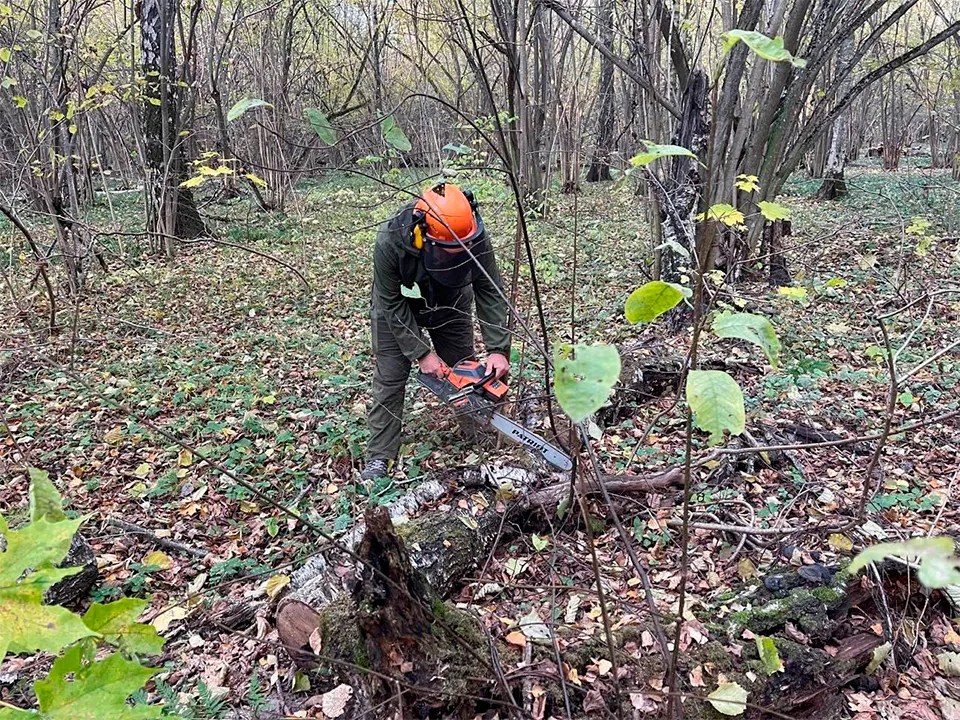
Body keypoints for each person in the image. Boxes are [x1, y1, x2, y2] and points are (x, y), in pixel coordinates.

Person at [361, 182, 511, 481]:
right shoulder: (390, 241)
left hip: (450, 296)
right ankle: (380, 455)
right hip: (397, 305)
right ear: (424, 234)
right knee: (390, 377)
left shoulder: (474, 235)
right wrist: (421, 353)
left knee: (463, 366)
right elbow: (390, 302)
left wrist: (497, 348)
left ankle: (479, 430)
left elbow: (489, 289)